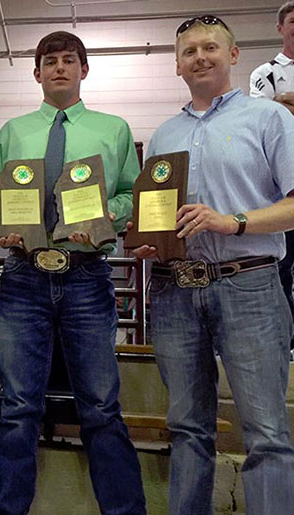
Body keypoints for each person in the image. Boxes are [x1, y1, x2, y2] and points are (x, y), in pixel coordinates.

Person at [132, 15, 294, 514]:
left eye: (210, 47)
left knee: (265, 431)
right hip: (175, 291)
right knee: (186, 428)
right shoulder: (163, 135)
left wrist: (233, 222)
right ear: (176, 64)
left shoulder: (271, 119)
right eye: (189, 51)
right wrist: (148, 242)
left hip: (250, 286)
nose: (200, 57)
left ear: (234, 55)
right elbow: (155, 215)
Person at [0, 31, 146, 514]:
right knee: (17, 407)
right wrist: (3, 226)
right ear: (36, 73)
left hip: (87, 276)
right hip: (24, 275)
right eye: (49, 61)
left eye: (68, 60)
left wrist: (99, 219)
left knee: (99, 406)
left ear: (83, 70)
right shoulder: (13, 131)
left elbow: (128, 196)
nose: (58, 68)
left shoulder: (113, 129)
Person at [250, 1, 294, 350]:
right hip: (283, 185)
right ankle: (284, 340)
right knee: (282, 264)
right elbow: (263, 118)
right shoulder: (263, 73)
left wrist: (286, 102)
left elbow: (281, 108)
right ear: (280, 28)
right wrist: (279, 104)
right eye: (292, 21)